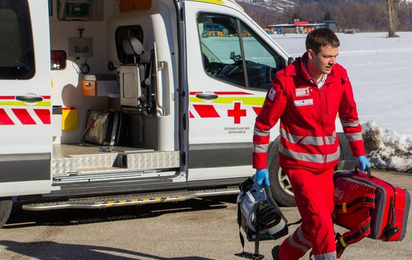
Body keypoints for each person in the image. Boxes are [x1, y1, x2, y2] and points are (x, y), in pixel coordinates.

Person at [252, 28, 371, 260]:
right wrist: (260, 166)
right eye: (327, 56)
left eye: (336, 55)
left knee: (315, 223)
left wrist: (360, 153)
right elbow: (263, 125)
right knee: (322, 224)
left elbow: (349, 117)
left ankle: (283, 255)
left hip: (327, 168)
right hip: (299, 167)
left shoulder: (340, 77)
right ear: (310, 54)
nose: (332, 61)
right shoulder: (286, 82)